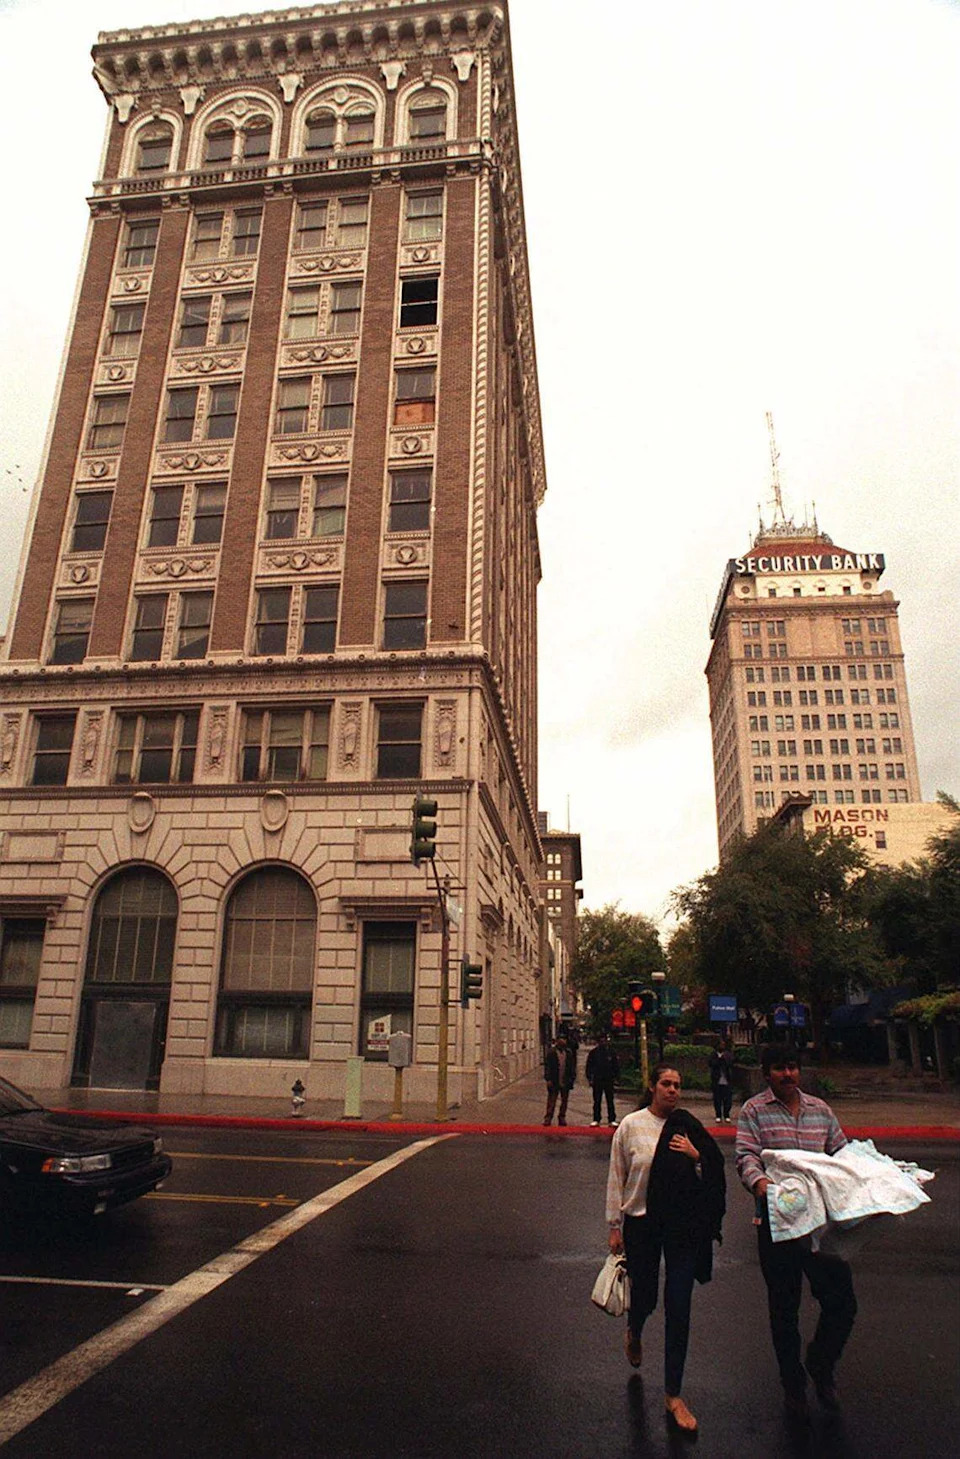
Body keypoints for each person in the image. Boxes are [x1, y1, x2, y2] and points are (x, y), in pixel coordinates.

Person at [736, 1045, 857, 1421]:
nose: (787, 1074)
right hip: (778, 1226)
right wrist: (761, 1186)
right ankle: (794, 1387)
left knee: (843, 1303)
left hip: (821, 1227)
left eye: (792, 1067)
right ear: (766, 1072)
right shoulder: (754, 1111)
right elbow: (746, 1156)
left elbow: (842, 1154)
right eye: (779, 1068)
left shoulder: (821, 1110)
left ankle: (820, 1364)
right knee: (784, 1310)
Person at [606, 1063, 726, 1434]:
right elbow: (618, 1174)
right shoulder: (632, 1126)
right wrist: (614, 1225)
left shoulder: (689, 1127)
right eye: (666, 1084)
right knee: (647, 1298)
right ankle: (635, 1328)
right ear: (653, 1087)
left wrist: (696, 1156)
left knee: (679, 1305)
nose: (673, 1090)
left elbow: (715, 1172)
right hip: (642, 1224)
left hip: (681, 1227)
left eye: (678, 1085)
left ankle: (673, 1394)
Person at [585, 1032, 620, 1126]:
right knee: (597, 1100)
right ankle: (596, 1118)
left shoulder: (611, 1052)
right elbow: (589, 1066)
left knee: (610, 1100)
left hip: (609, 1079)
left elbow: (616, 1066)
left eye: (604, 1039)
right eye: (601, 1040)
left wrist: (616, 1077)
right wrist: (590, 1078)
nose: (603, 1041)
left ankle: (611, 1119)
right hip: (598, 1079)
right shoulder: (594, 1053)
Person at [543, 1032, 577, 1126]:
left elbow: (572, 1067)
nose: (563, 1041)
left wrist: (572, 1078)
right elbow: (547, 1066)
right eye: (561, 1039)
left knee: (564, 1101)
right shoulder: (552, 1052)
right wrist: (548, 1079)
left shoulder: (568, 1053)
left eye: (564, 1039)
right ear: (557, 1041)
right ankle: (548, 1117)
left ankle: (562, 1117)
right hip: (554, 1080)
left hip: (565, 1080)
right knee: (552, 1100)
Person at [709, 1038, 735, 1123]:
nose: (722, 1046)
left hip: (727, 1080)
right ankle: (718, 1115)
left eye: (723, 1045)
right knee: (717, 1099)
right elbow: (711, 1064)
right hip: (717, 1080)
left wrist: (724, 1059)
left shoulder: (728, 1055)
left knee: (727, 1099)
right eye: (720, 1045)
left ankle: (726, 1114)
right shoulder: (713, 1055)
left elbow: (730, 1063)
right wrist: (719, 1059)